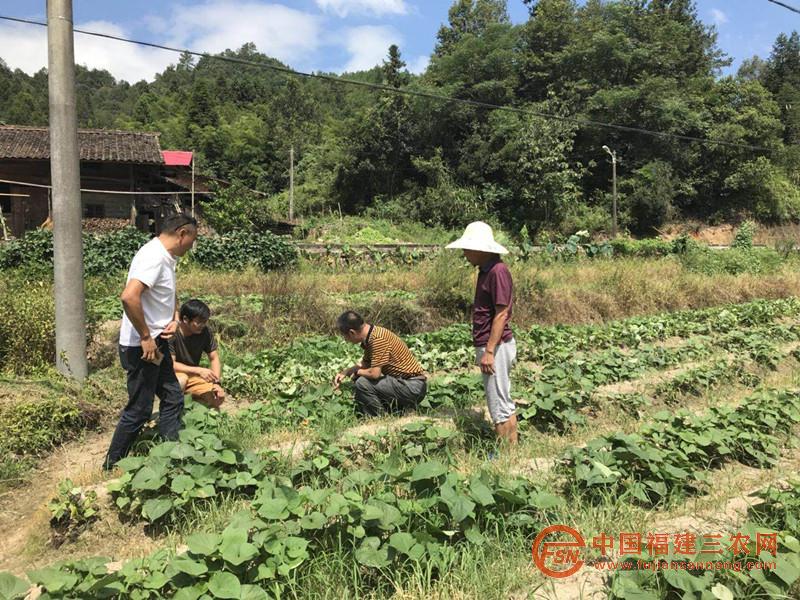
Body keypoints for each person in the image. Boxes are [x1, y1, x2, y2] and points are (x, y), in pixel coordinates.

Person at [104, 213, 198, 469]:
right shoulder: (153, 257)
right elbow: (129, 297)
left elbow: (168, 291)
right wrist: (145, 336)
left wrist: (175, 316)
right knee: (140, 410)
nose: (192, 246)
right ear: (182, 234)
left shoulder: (167, 258)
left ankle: (171, 457)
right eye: (193, 239)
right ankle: (112, 465)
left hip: (156, 342)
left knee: (173, 398)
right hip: (142, 348)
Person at [447, 221, 517, 444]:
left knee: (498, 403)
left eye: (467, 248)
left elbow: (501, 313)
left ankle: (507, 454)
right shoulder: (486, 271)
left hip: (495, 346)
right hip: (491, 345)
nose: (465, 253)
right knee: (500, 400)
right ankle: (511, 450)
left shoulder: (498, 271)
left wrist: (489, 350)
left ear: (480, 249)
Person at [333, 311, 427, 416]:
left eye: (346, 337)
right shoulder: (372, 335)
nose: (346, 340)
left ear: (352, 332)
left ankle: (379, 417)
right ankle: (400, 410)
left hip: (412, 387)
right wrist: (345, 372)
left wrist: (357, 373)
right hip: (406, 384)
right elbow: (365, 364)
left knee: (362, 383)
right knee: (361, 379)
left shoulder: (378, 340)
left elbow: (374, 374)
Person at [169, 299, 226, 409]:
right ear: (185, 319)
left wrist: (216, 383)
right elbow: (171, 364)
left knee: (217, 398)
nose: (203, 325)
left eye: (205, 321)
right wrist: (198, 370)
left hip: (192, 377)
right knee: (182, 380)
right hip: (171, 377)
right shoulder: (172, 333)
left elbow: (214, 358)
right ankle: (173, 410)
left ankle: (190, 403)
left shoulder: (204, 332)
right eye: (199, 322)